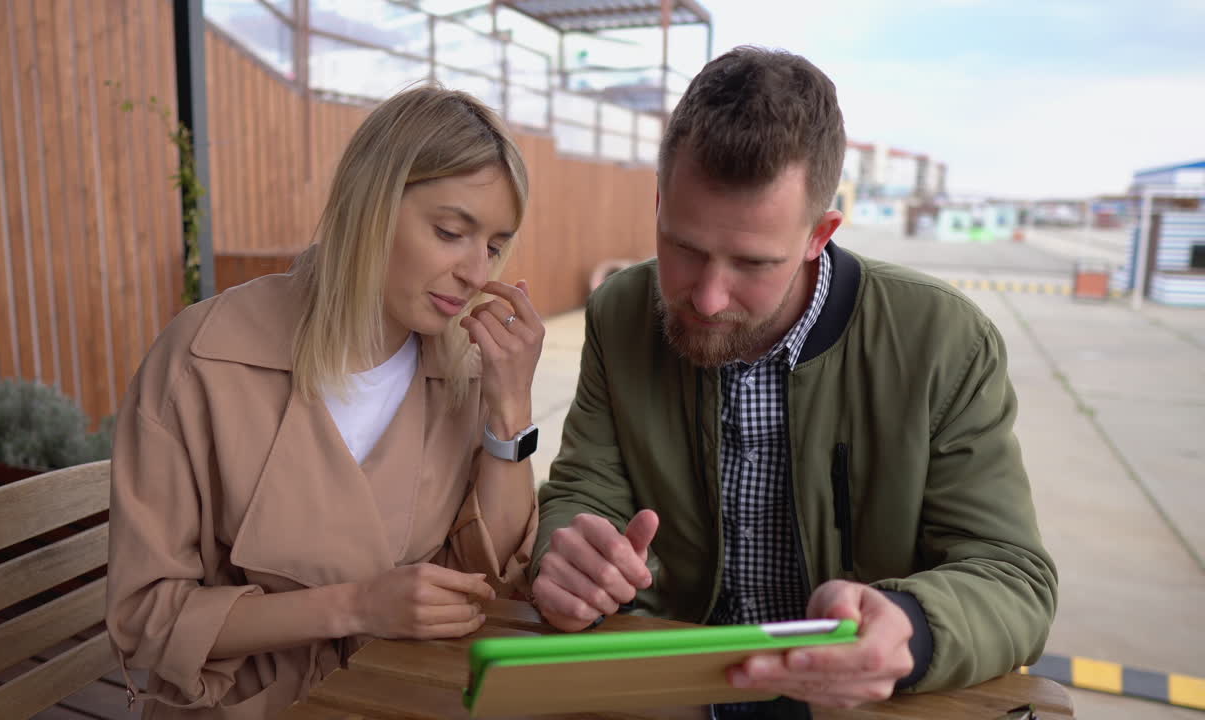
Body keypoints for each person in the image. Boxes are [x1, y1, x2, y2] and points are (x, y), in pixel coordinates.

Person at [531, 46, 1058, 715]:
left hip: (854, 702)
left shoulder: (944, 341)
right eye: (684, 248)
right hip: (674, 686)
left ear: (821, 234)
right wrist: (571, 557)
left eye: (752, 262)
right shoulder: (620, 310)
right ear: (660, 202)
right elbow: (584, 488)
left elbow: (1013, 576)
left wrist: (914, 627)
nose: (709, 298)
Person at [105, 85, 544, 719]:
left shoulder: (463, 369)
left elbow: (487, 578)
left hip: (405, 691)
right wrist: (358, 605)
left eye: (496, 246)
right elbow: (143, 616)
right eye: (451, 232)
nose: (478, 272)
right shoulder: (202, 358)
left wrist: (510, 410)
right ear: (370, 206)